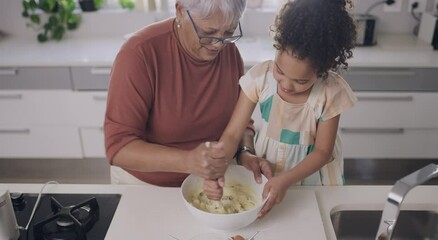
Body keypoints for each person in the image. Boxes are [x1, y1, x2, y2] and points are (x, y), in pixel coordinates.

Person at [203, 0, 358, 218]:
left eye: (300, 81)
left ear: (324, 68)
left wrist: (286, 179)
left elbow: (323, 152)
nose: (285, 84)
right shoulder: (260, 78)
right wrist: (217, 171)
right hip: (269, 171)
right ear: (277, 48)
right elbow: (232, 133)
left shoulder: (329, 92)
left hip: (312, 180)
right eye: (279, 70)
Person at [104, 0, 263, 187]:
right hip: (146, 186)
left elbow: (241, 121)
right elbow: (119, 148)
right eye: (207, 33)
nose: (218, 45)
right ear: (180, 11)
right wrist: (187, 161)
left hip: (210, 182)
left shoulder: (230, 53)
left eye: (228, 32)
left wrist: (246, 152)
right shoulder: (139, 54)